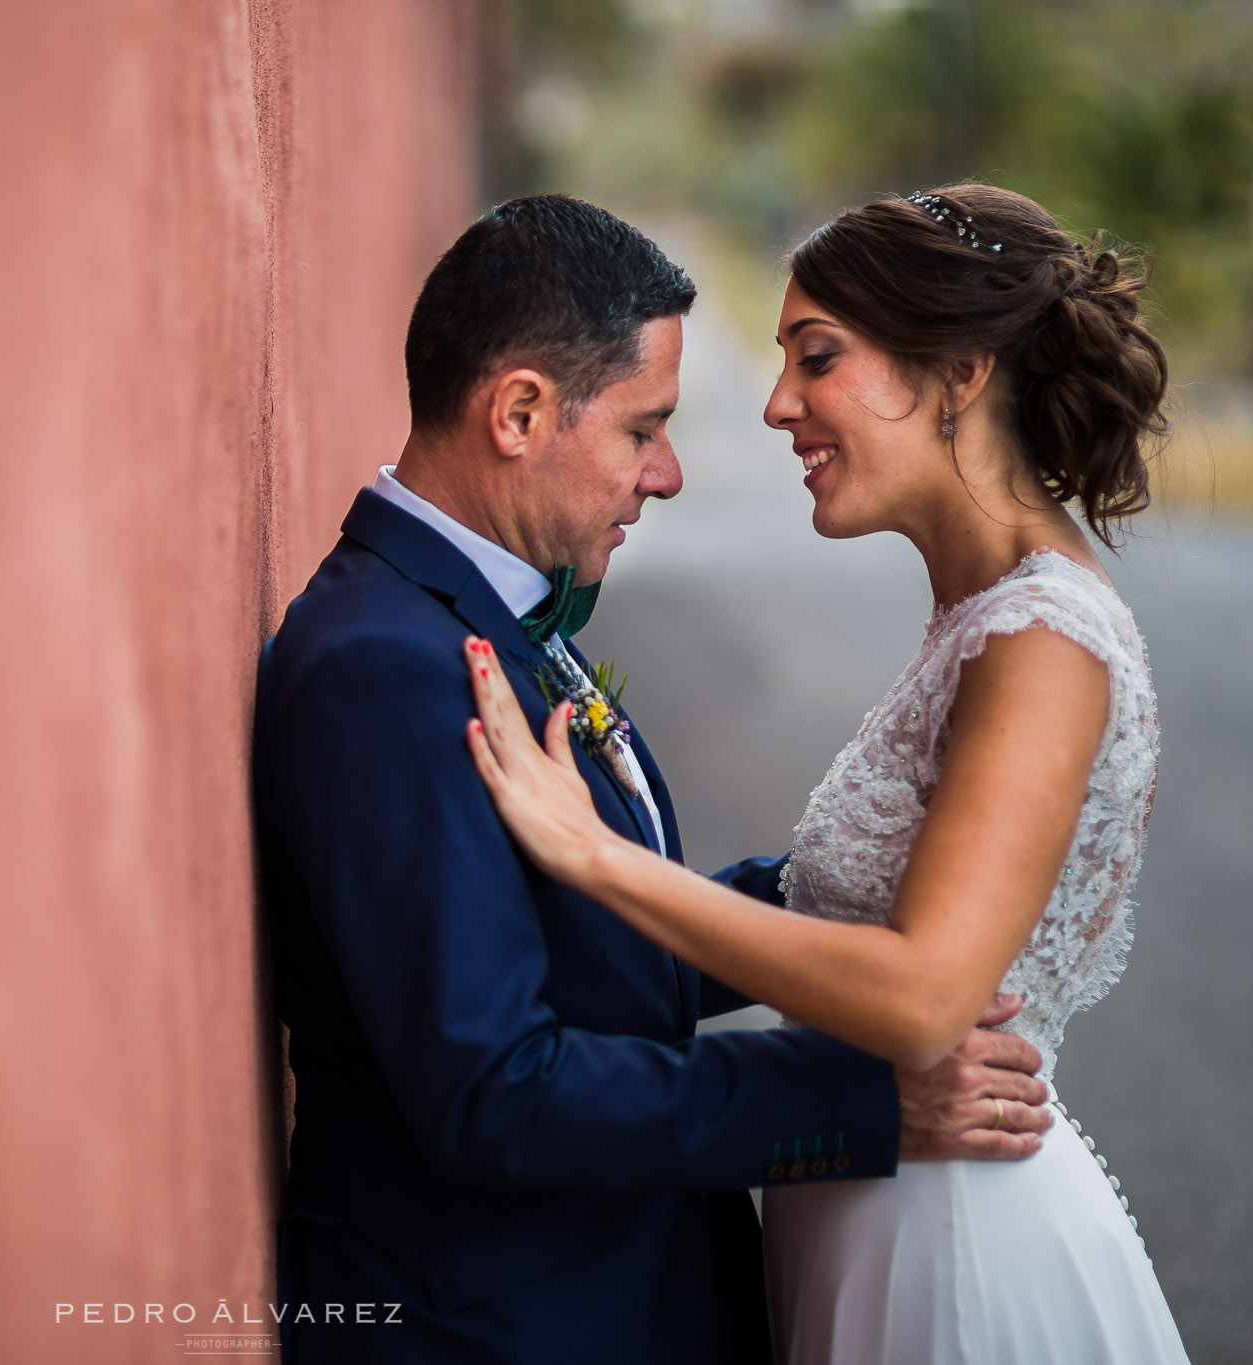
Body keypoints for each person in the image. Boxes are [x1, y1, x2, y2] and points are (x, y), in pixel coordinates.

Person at [254, 194, 1052, 1365]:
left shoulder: (483, 607)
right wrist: (861, 1106)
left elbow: (578, 939)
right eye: (642, 429)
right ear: (520, 411)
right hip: (495, 1326)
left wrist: (834, 883)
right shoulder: (382, 666)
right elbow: (498, 1091)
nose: (667, 473)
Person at [461, 184, 1190, 1362]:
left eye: (817, 358)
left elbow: (919, 996)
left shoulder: (1043, 643)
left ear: (959, 371)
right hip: (873, 1211)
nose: (776, 404)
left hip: (954, 1250)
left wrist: (594, 858)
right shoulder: (984, 617)